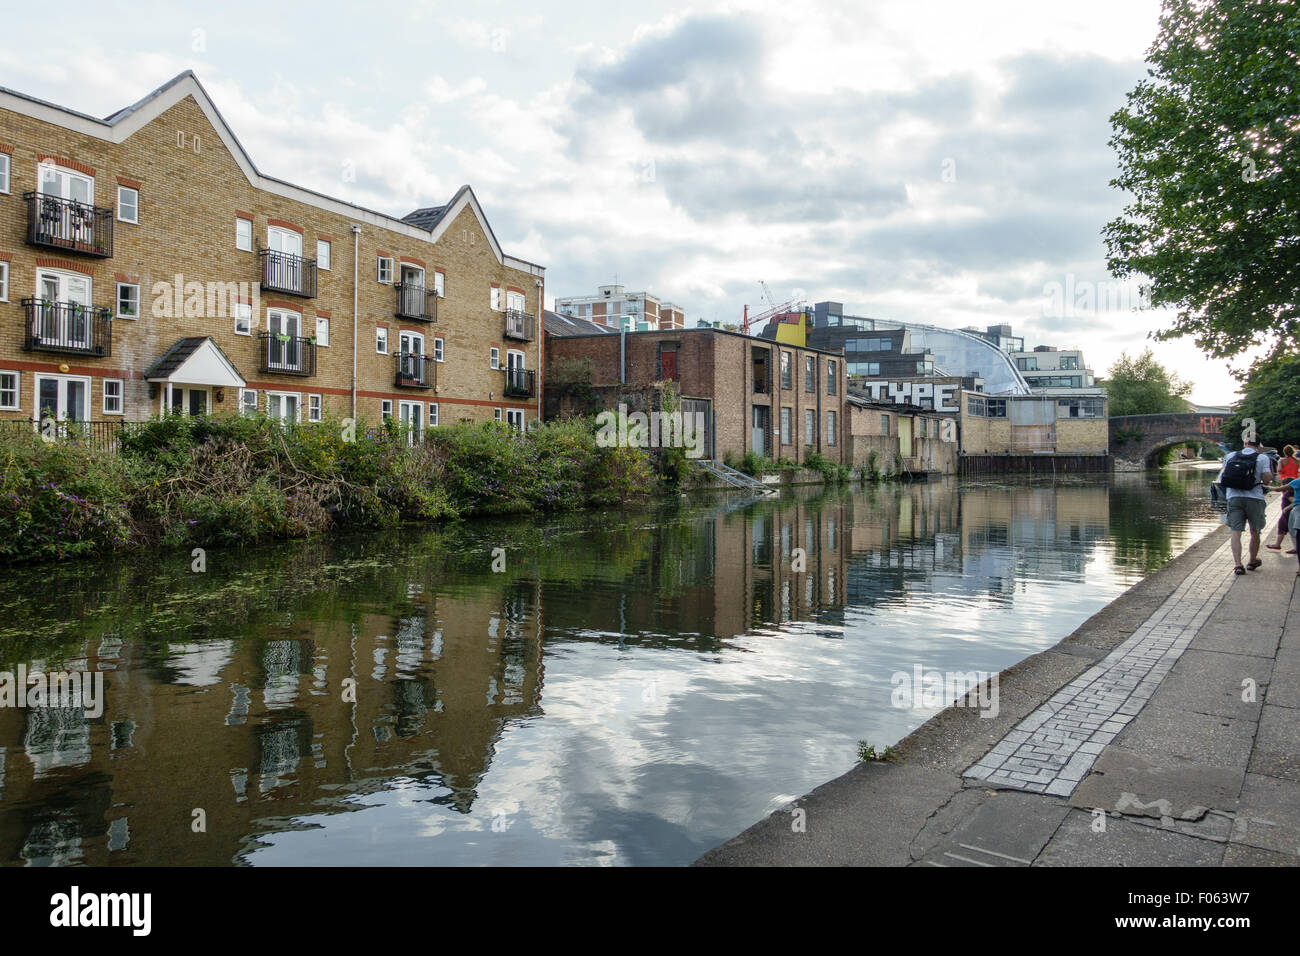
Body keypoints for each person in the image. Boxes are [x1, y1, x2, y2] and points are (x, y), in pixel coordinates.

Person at [1218, 439, 1273, 574]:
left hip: (1234, 497)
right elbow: (1267, 479)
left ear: (1244, 443)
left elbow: (1223, 476)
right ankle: (1252, 561)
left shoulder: (1231, 456)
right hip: (1254, 498)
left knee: (1235, 532)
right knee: (1255, 531)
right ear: (1259, 445)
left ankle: (1238, 565)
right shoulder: (1262, 458)